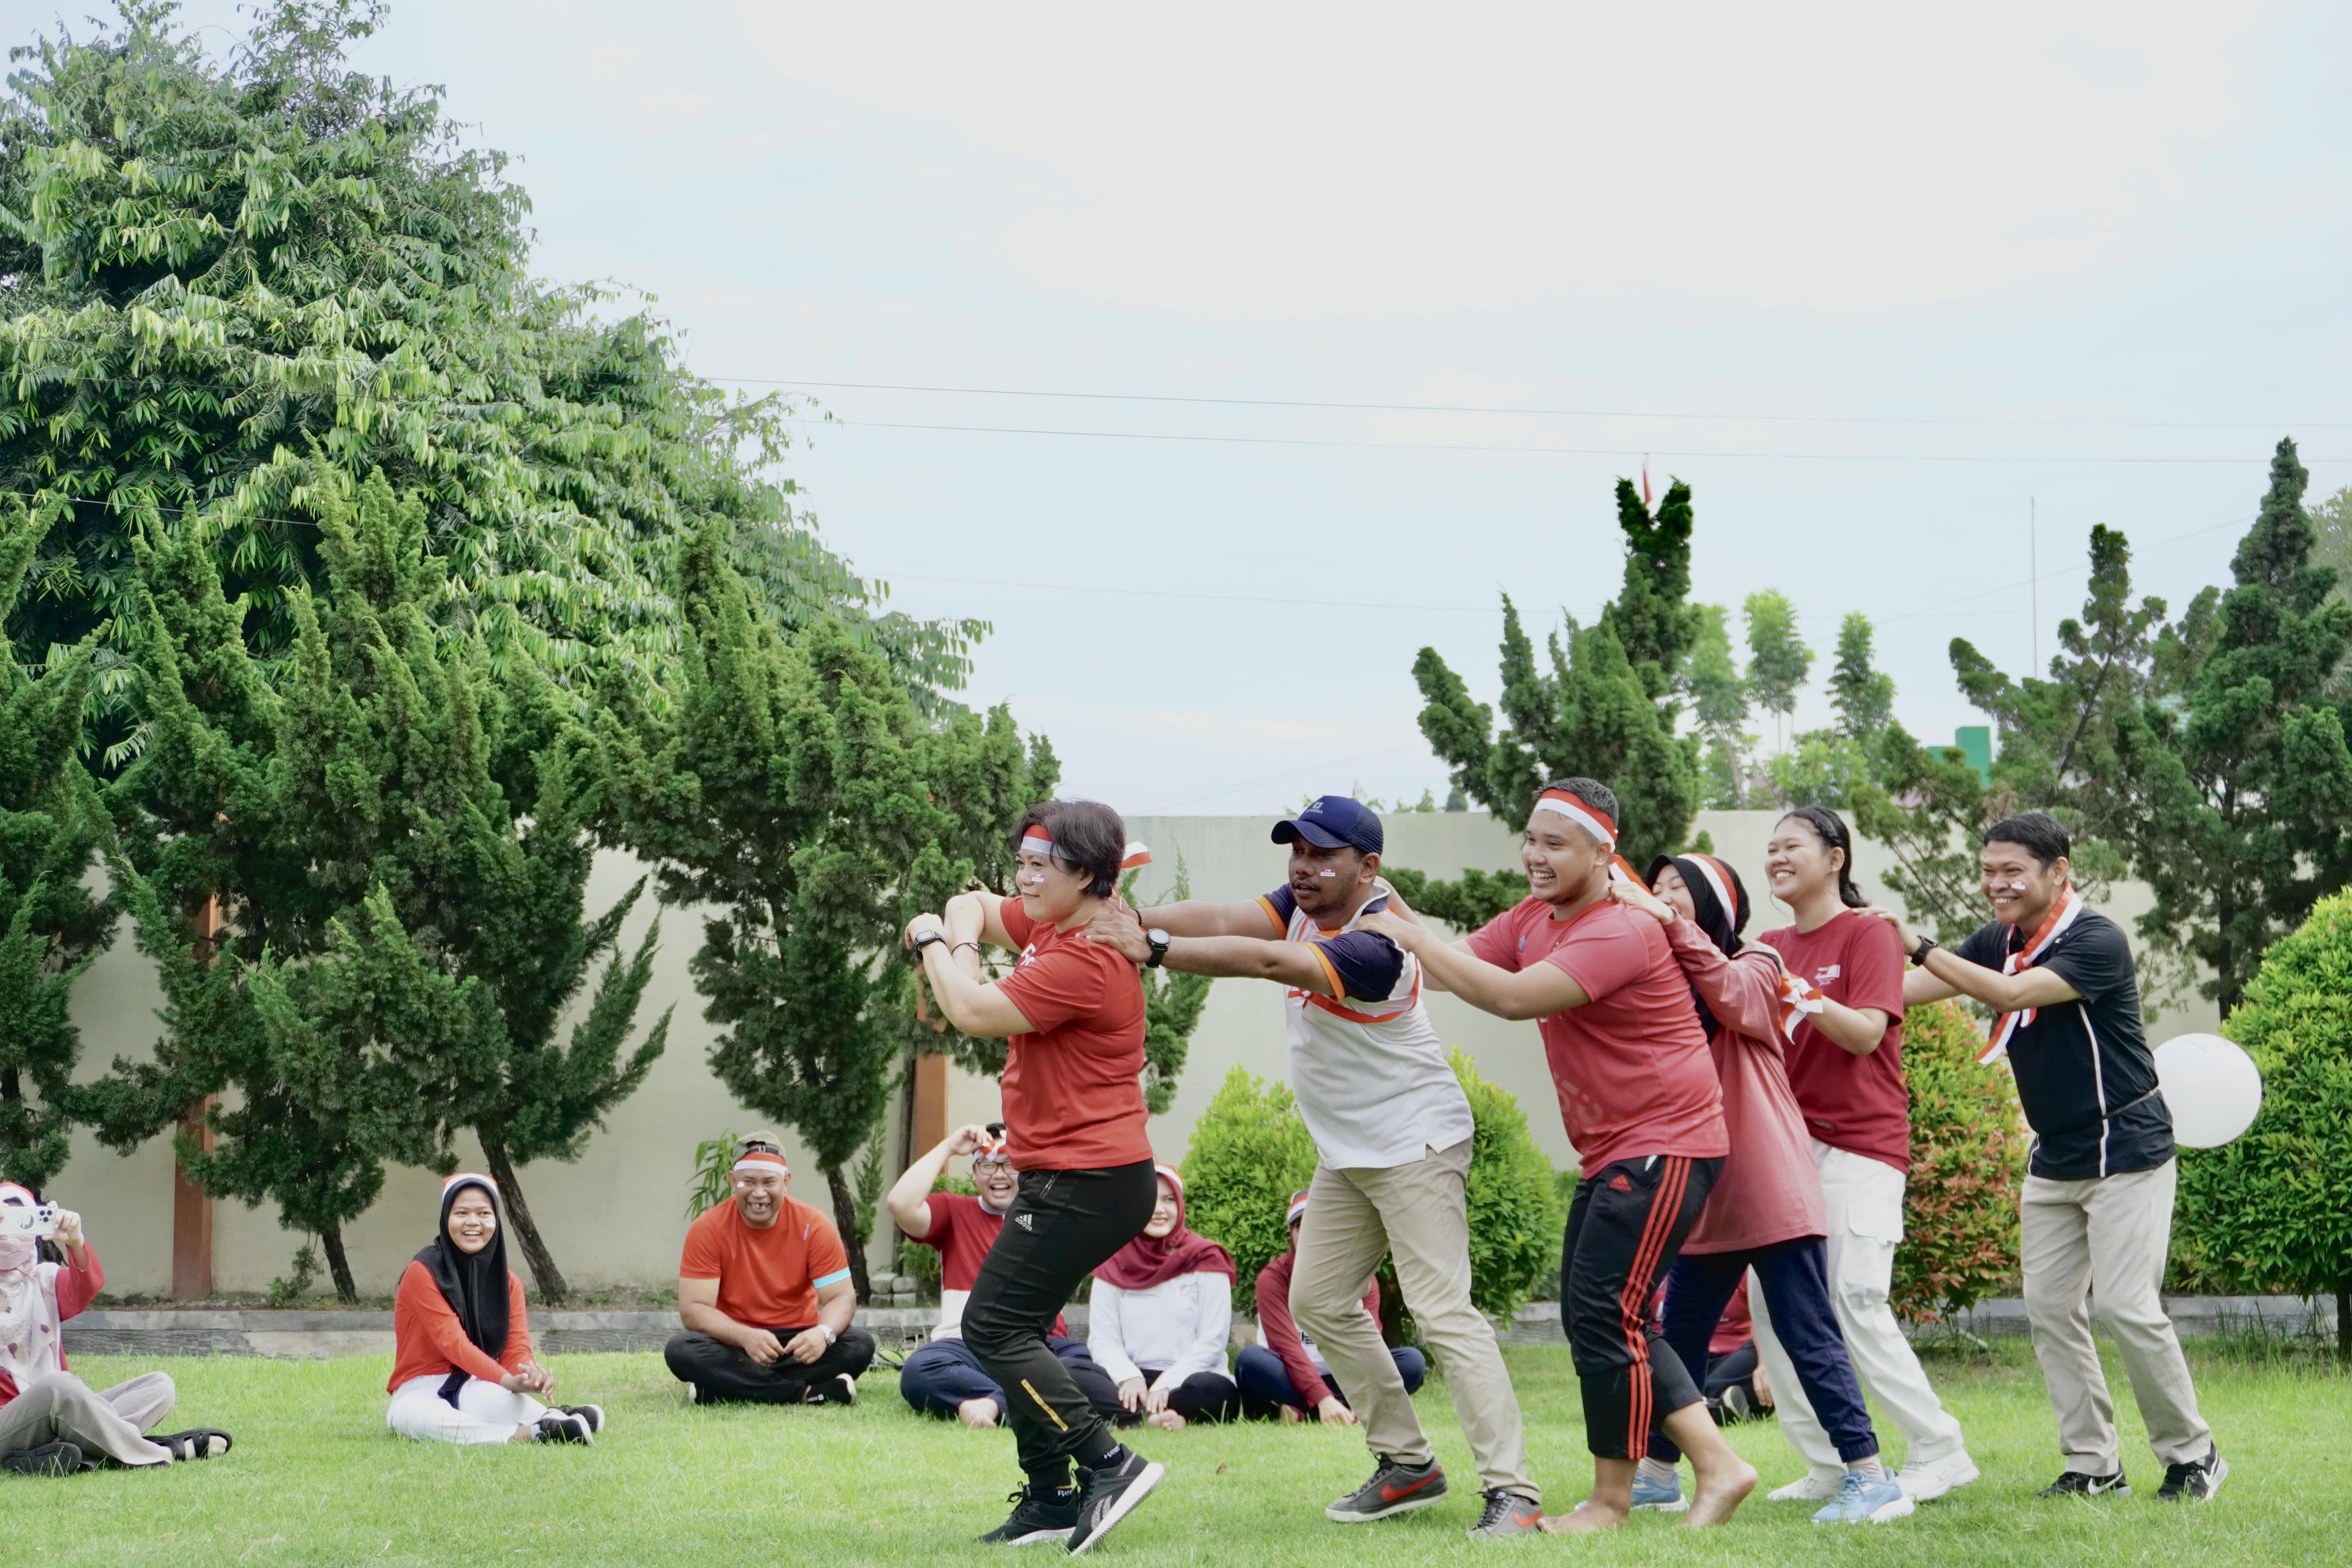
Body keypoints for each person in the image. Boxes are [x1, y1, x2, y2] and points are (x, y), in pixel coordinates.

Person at [1085, 793, 1543, 1537]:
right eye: (1297, 852)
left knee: (1442, 1312)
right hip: (1351, 1153)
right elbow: (1233, 920)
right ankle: (1409, 1466)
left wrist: (1155, 950)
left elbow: (1267, 961)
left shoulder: (1379, 945)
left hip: (1417, 1145)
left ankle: (1514, 1493)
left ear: (1367, 867)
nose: (1304, 868)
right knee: (1320, 1300)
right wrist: (1143, 921)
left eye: (1323, 856)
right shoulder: (1305, 899)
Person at [1363, 777, 1755, 1534]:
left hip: (1666, 1143)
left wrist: (1417, 939)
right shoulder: (1533, 917)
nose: (1534, 856)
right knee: (1608, 1317)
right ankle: (1719, 1465)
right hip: (1619, 1147)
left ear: (1604, 853)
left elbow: (1510, 997)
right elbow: (1451, 968)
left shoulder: (1621, 930)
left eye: (1555, 844)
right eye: (1531, 839)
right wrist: (1391, 923)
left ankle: (1613, 1501)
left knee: (1608, 1316)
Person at [1873, 811, 2223, 1502]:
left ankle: (2193, 1455)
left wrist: (1914, 942)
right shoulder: (1996, 939)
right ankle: (2095, 1464)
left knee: (2126, 1306)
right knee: (2050, 1308)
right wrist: (1822, 984)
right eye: (1988, 870)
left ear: (2059, 871)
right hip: (2057, 1155)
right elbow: (1907, 993)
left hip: (2127, 1147)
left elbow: (2005, 993)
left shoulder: (2096, 940)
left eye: (2013, 872)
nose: (1996, 884)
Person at [1611, 856, 1912, 1525]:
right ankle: (1660, 1475)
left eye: (1676, 893)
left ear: (1716, 906)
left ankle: (1870, 1475)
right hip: (1706, 1191)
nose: (1659, 902)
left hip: (1770, 1182)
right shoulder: (1659, 982)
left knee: (1809, 1333)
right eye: (1652, 891)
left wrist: (1668, 925)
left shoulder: (1756, 965)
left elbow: (1731, 994)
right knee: (1678, 1335)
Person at [904, 799, 1165, 1552]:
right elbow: (971, 903)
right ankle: (1052, 1496)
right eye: (1019, 862)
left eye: (1038, 867)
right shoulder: (1058, 919)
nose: (1020, 878)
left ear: (1086, 876)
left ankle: (1110, 1463)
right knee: (1014, 1331)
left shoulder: (1084, 960)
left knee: (990, 1327)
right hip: (1077, 1175)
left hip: (1092, 1179)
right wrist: (960, 935)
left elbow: (972, 1011)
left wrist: (932, 942)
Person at [1752, 808, 1977, 1504]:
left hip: (1862, 1146)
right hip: (1786, 1149)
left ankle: (1940, 1449)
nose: (1777, 859)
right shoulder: (1768, 941)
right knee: (1772, 1308)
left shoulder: (1869, 932)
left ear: (1835, 858)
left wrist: (1791, 986)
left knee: (1855, 1298)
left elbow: (1863, 1034)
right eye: (1771, 851)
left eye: (1792, 847)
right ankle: (1827, 1462)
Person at [887, 1122, 1122, 1426]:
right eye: (987, 1165)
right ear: (974, 1174)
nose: (999, 1175)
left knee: (1082, 1369)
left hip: (1042, 1343)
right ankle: (1029, 1401)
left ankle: (993, 1403)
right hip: (967, 1344)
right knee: (920, 1369)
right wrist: (948, 1147)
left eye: (1009, 1164)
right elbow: (899, 1204)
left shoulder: (1051, 1218)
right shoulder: (955, 1211)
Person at [0, 1183, 230, 1473]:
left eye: (20, 1222)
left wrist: (76, 1242)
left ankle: (65, 1456)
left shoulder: (43, 1282)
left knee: (158, 1387)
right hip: (6, 1427)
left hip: (54, 1414)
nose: (9, 1234)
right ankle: (161, 1451)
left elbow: (85, 1287)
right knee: (60, 1389)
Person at [388, 1174, 600, 1445]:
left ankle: (556, 1417)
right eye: (461, 1213)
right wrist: (507, 1381)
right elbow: (453, 1343)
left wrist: (528, 1374)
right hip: (421, 1389)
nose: (473, 1222)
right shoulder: (423, 1272)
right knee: (409, 1418)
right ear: (445, 1219)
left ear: (497, 1222)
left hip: (474, 1383)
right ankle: (536, 1432)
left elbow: (515, 1350)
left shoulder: (509, 1284)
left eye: (484, 1213)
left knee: (498, 1402)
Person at [665, 1137, 878, 1406]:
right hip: (735, 1343)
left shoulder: (814, 1225)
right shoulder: (708, 1227)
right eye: (749, 1182)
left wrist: (823, 1333)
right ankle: (805, 1393)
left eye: (769, 1182)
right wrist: (745, 1336)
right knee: (682, 1351)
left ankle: (726, 1388)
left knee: (859, 1344)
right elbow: (694, 1310)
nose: (759, 1194)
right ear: (733, 1181)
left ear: (786, 1181)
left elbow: (842, 1298)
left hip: (798, 1342)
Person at [1233, 1188, 1427, 1423]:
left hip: (1344, 1377)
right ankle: (1335, 1410)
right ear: (1292, 1232)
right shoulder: (1273, 1280)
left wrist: (1358, 1395)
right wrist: (1323, 1398)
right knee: (1251, 1361)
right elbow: (1287, 1349)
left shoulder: (1362, 1278)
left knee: (1411, 1362)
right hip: (1288, 1374)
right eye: (1304, 1227)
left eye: (1321, 1227)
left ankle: (1306, 1411)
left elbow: (1368, 1344)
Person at [1087, 1167, 1240, 1431]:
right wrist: (1129, 1377)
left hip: (1189, 1379)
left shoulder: (1207, 1257)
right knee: (1071, 1373)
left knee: (1217, 1390)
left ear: (1180, 1205)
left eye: (1169, 1200)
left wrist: (1168, 1383)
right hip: (1130, 1381)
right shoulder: (1112, 1259)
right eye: (1150, 1199)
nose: (1159, 1209)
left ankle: (1139, 1416)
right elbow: (1102, 1339)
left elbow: (1212, 1341)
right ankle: (1161, 1416)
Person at [1701, 1278, 1773, 1422]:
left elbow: (1763, 1318)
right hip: (1685, 1356)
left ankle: (1692, 1405)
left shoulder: (1748, 1270)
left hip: (1736, 1360)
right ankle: (1718, 1406)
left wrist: (1765, 1363)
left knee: (1775, 1353)